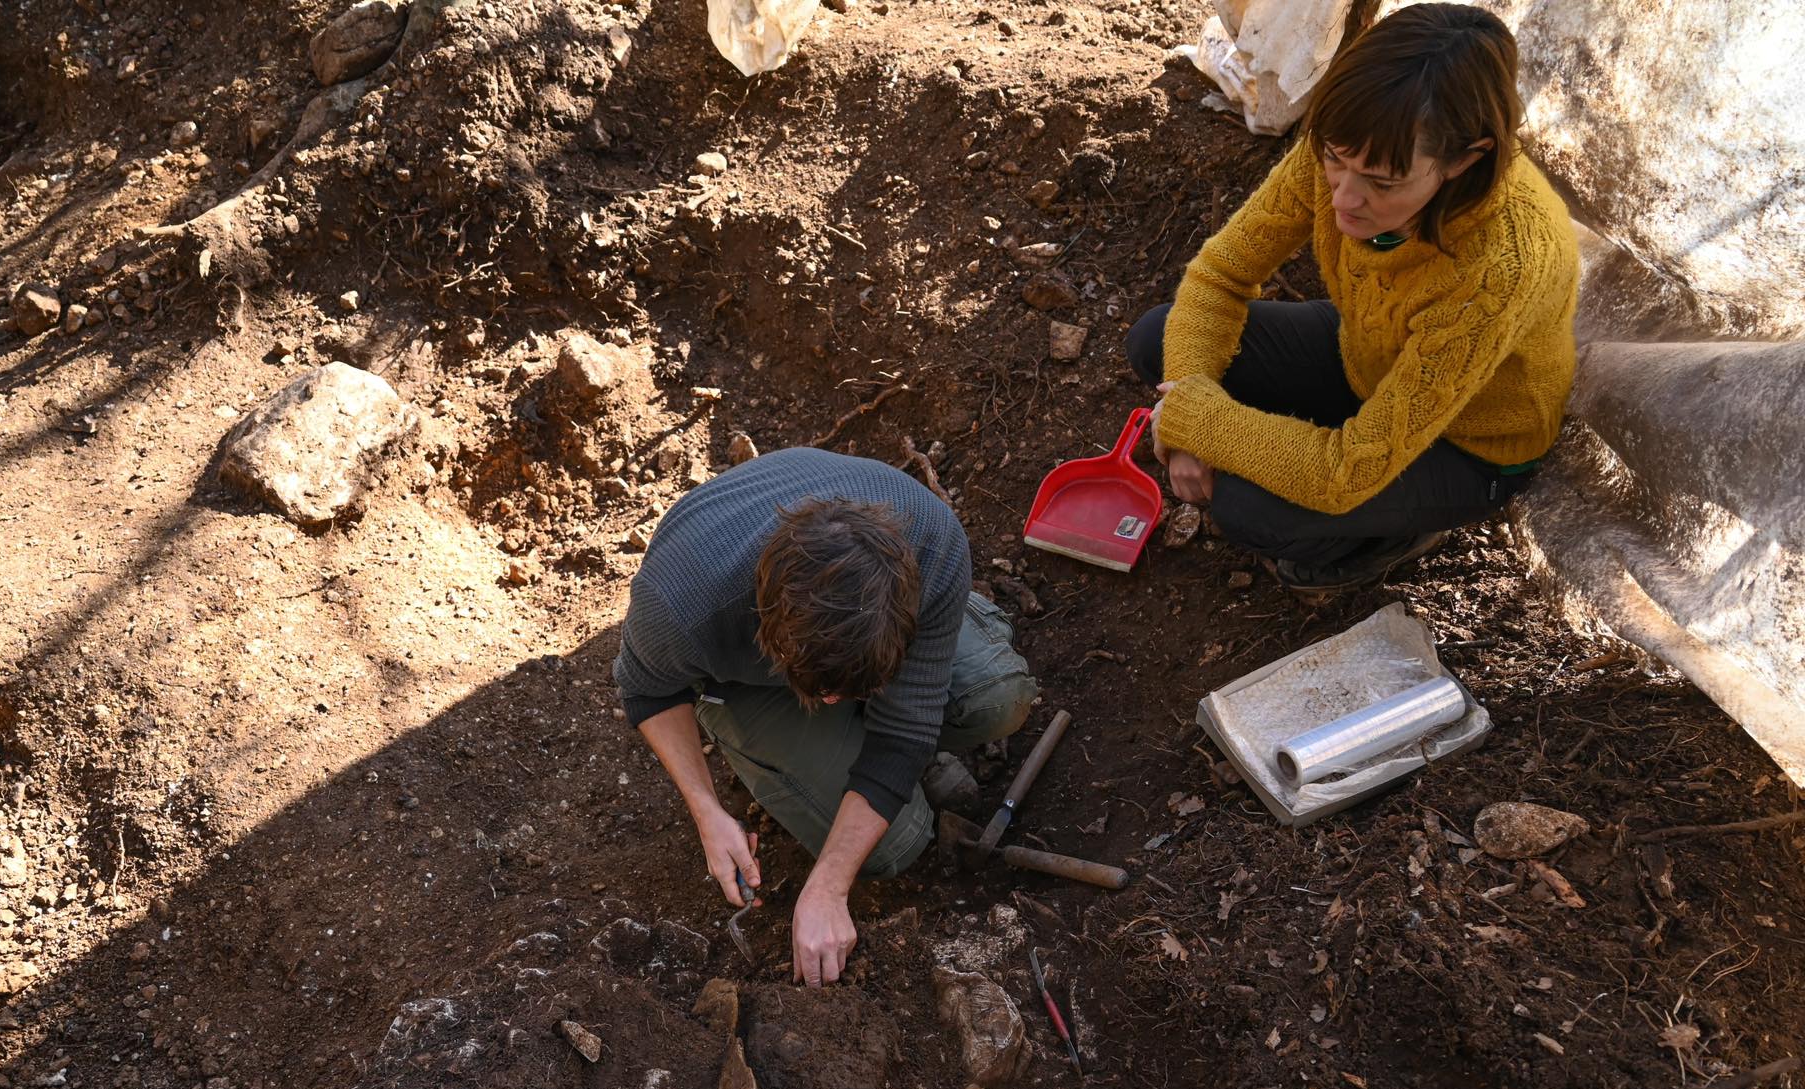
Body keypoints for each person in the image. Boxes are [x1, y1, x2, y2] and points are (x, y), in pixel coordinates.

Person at [1128, 3, 1579, 596]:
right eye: (1334, 162)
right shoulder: (1354, 142)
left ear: (1465, 159)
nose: (1344, 198)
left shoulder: (1499, 264)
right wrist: (1193, 409)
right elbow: (1219, 278)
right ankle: (1318, 443)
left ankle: (1393, 537)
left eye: (1383, 183)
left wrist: (1198, 419)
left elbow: (1346, 470)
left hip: (1471, 445)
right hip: (1368, 355)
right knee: (1158, 337)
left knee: (1244, 505)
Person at [614, 448, 1037, 988]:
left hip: (885, 608)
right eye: (829, 693)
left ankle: (865, 713)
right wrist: (707, 811)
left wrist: (829, 885)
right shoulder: (679, 606)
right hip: (738, 671)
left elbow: (904, 729)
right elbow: (646, 692)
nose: (838, 700)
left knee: (998, 698)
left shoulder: (933, 543)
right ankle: (789, 727)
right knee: (895, 846)